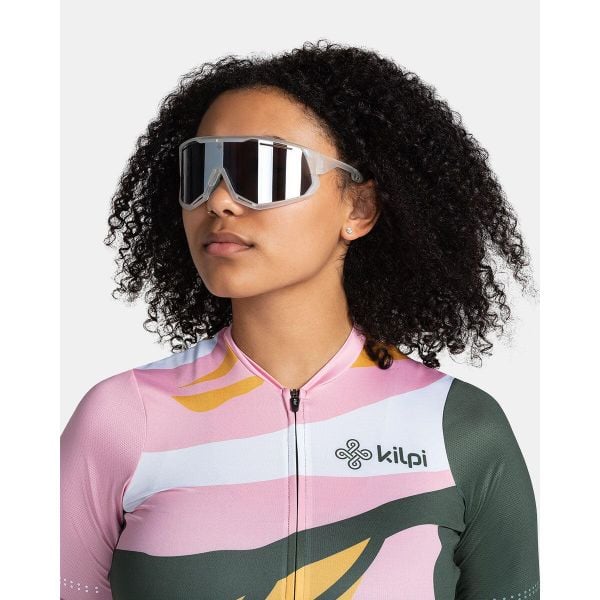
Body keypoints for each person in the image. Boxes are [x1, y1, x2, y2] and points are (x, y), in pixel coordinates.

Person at [61, 40, 540, 599]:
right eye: (200, 171)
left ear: (358, 208)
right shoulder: (124, 419)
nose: (219, 201)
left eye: (263, 170)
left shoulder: (457, 426)